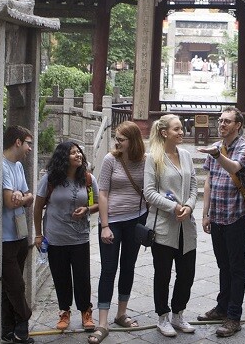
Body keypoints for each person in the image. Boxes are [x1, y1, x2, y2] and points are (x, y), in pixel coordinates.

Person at [196, 107, 245, 337]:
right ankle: (222, 306)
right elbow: (209, 181)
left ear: (238, 125)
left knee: (236, 266)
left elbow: (235, 167)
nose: (222, 124)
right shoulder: (217, 147)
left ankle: (233, 316)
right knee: (222, 265)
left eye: (227, 121)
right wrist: (205, 213)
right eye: (220, 120)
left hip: (236, 215)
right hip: (217, 214)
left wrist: (217, 154)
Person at [88, 121, 146, 344]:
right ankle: (102, 323)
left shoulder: (145, 160)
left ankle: (121, 313)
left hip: (136, 220)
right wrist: (104, 226)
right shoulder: (111, 159)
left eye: (121, 139)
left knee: (128, 267)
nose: (117, 142)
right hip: (112, 221)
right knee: (108, 269)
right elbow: (102, 194)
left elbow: (149, 190)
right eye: (116, 138)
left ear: (133, 140)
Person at [34, 142, 99, 333]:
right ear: (64, 158)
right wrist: (38, 234)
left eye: (79, 152)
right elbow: (38, 208)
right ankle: (64, 312)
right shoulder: (50, 180)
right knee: (61, 277)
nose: (78, 155)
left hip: (80, 237)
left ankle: (86, 312)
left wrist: (87, 209)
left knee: (82, 277)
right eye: (73, 153)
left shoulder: (87, 179)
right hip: (55, 237)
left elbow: (97, 204)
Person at [143, 114, 199, 337]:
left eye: (182, 128)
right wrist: (173, 207)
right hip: (164, 227)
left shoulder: (185, 155)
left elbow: (194, 185)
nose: (182, 132)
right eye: (177, 129)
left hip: (187, 225)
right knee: (163, 274)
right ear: (165, 132)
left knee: (187, 273)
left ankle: (178, 313)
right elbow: (149, 192)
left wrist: (189, 206)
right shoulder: (154, 157)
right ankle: (162, 317)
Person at [1, 125, 35, 344]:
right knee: (15, 285)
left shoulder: (18, 166)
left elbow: (26, 195)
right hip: (4, 238)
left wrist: (22, 198)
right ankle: (24, 321)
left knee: (11, 286)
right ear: (18, 142)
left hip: (20, 235)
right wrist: (23, 198)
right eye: (28, 143)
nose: (30, 148)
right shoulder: (2, 166)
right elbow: (8, 202)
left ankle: (9, 329)